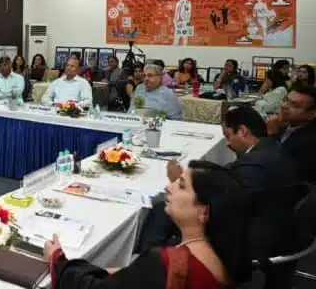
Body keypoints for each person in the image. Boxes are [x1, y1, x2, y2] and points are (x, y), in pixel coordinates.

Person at [45, 161, 252, 288]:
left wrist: (57, 259)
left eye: (181, 186)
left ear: (204, 211)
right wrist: (130, 273)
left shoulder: (169, 264)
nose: (168, 187)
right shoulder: (223, 255)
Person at [137, 107, 299, 261]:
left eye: (228, 136)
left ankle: (152, 259)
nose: (227, 143)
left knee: (164, 209)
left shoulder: (253, 165)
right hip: (273, 223)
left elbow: (222, 205)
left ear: (242, 131)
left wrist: (180, 182)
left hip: (248, 239)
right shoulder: (273, 149)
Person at [266, 84, 316, 182]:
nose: (284, 106)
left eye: (295, 105)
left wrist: (272, 134)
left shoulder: (311, 141)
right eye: (286, 100)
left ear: (312, 114)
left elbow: (274, 168)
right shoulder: (287, 124)